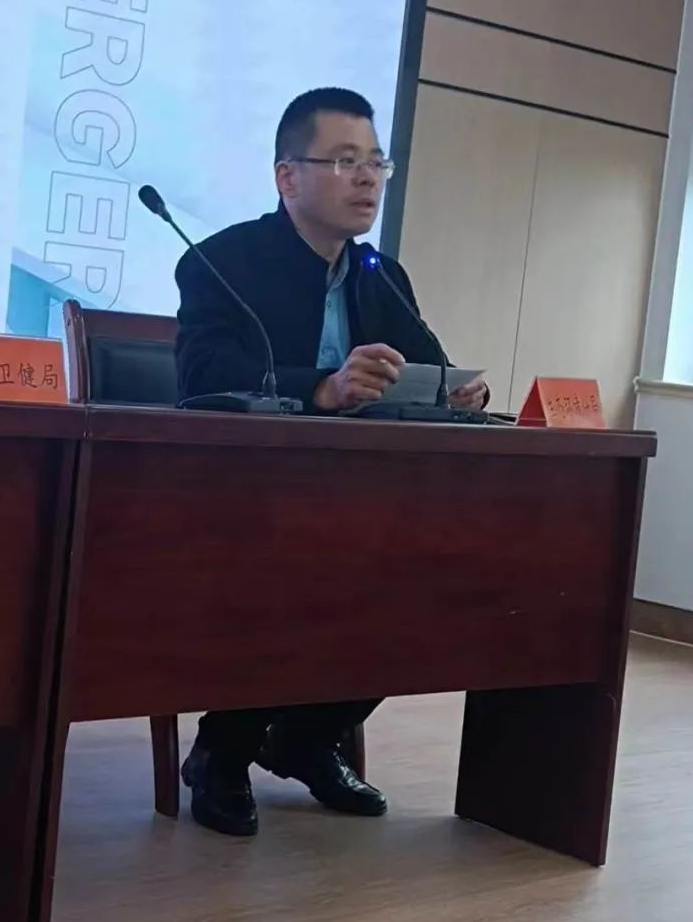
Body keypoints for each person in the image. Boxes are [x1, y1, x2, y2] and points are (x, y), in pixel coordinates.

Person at [174, 87, 489, 837]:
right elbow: (203, 375)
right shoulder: (222, 262)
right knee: (295, 569)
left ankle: (308, 738)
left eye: (377, 162)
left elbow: (428, 364)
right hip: (244, 495)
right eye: (346, 161)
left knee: (435, 578)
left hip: (363, 498)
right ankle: (224, 751)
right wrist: (321, 388)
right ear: (287, 177)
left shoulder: (381, 274)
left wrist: (455, 393)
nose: (368, 178)